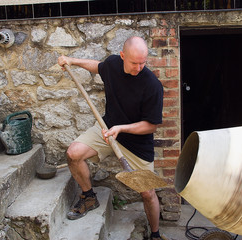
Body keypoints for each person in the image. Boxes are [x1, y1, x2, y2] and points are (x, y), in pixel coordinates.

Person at [58, 36, 167, 240]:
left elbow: (151, 125)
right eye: (134, 62)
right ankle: (89, 197)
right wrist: (72, 60)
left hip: (137, 144)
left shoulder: (152, 85)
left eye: (143, 62)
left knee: (147, 193)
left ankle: (155, 235)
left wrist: (122, 128)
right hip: (107, 129)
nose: (139, 68)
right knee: (74, 154)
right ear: (123, 56)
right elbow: (98, 67)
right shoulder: (113, 65)